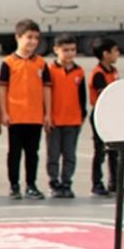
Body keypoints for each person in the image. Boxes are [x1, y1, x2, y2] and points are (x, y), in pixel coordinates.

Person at [0, 19, 52, 200]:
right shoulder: (8, 63)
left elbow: (46, 89)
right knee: (14, 153)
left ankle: (31, 184)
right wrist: (4, 112)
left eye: (36, 38)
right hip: (16, 115)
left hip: (35, 116)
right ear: (18, 38)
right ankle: (14, 185)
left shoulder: (41, 63)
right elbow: (3, 88)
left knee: (32, 153)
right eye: (29, 37)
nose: (33, 42)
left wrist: (48, 113)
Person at [45, 34, 87, 198]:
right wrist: (46, 115)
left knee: (70, 154)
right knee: (53, 153)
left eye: (72, 50)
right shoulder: (50, 70)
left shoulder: (79, 71)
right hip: (55, 119)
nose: (69, 54)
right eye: (65, 50)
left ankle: (67, 182)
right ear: (56, 50)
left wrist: (82, 114)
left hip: (73, 119)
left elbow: (81, 94)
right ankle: (54, 182)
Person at [88, 37, 124, 197]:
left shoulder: (113, 71)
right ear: (106, 54)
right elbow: (106, 95)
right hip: (100, 114)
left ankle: (115, 183)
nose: (118, 54)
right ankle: (97, 183)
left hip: (112, 114)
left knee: (115, 151)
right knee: (100, 151)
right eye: (115, 51)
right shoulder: (98, 74)